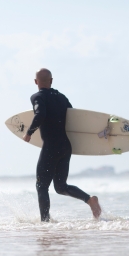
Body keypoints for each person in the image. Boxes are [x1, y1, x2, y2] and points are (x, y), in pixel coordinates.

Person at [23, 68, 101, 222]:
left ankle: (44, 223)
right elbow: (73, 118)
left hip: (51, 147)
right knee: (60, 187)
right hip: (65, 146)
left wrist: (29, 132)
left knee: (42, 186)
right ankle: (89, 199)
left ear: (35, 82)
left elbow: (40, 114)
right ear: (51, 81)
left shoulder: (37, 97)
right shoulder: (62, 98)